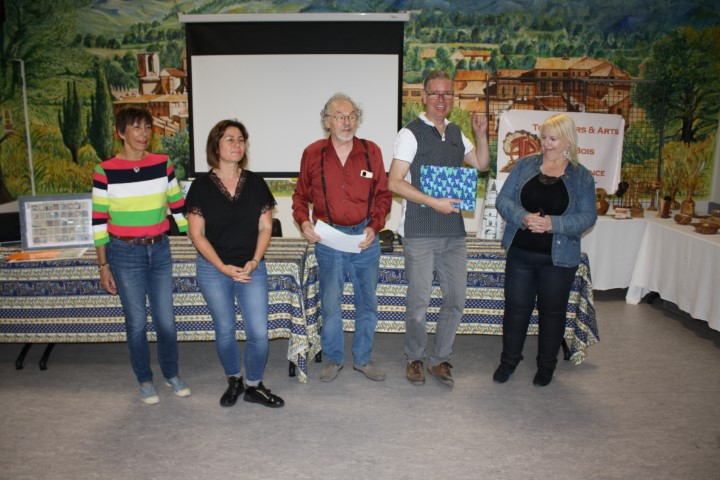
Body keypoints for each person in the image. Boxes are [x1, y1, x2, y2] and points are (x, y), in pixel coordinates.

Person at [388, 70, 490, 387]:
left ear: (453, 98)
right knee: (419, 304)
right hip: (419, 231)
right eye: (435, 93)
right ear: (424, 96)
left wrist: (481, 134)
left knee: (456, 299)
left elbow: (482, 164)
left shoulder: (457, 132)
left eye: (447, 93)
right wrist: (434, 202)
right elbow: (394, 182)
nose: (441, 99)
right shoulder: (410, 134)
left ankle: (440, 359)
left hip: (454, 232)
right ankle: (415, 358)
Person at [92, 106, 191, 405]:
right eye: (136, 127)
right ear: (121, 132)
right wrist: (103, 265)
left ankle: (171, 373)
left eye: (147, 127)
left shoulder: (163, 164)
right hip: (124, 253)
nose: (144, 133)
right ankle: (145, 379)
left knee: (166, 320)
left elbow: (178, 209)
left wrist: (199, 241)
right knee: (136, 321)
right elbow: (99, 222)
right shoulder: (105, 170)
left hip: (159, 249)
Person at [292, 93, 392, 382]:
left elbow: (383, 195)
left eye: (351, 116)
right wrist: (303, 221)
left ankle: (363, 359)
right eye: (339, 116)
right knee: (331, 303)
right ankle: (334, 358)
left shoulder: (371, 151)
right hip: (329, 239)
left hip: (365, 238)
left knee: (367, 302)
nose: (346, 122)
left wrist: (375, 225)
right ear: (327, 121)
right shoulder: (313, 153)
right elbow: (300, 196)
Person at [492, 113, 597, 387]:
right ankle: (509, 360)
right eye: (544, 138)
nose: (547, 144)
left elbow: (588, 217)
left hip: (558, 260)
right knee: (516, 310)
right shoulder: (525, 165)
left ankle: (546, 365)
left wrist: (553, 224)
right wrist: (523, 217)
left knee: (552, 313)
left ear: (568, 141)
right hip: (520, 254)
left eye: (553, 139)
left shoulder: (581, 176)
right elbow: (503, 200)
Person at [185, 119, 284, 408]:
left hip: (251, 267)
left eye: (241, 139)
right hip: (213, 269)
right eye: (230, 139)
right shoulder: (201, 186)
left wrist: (254, 261)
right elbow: (196, 234)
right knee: (225, 329)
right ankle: (234, 379)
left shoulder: (255, 182)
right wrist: (221, 267)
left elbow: (266, 227)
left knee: (259, 332)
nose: (237, 144)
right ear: (215, 146)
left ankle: (253, 384)